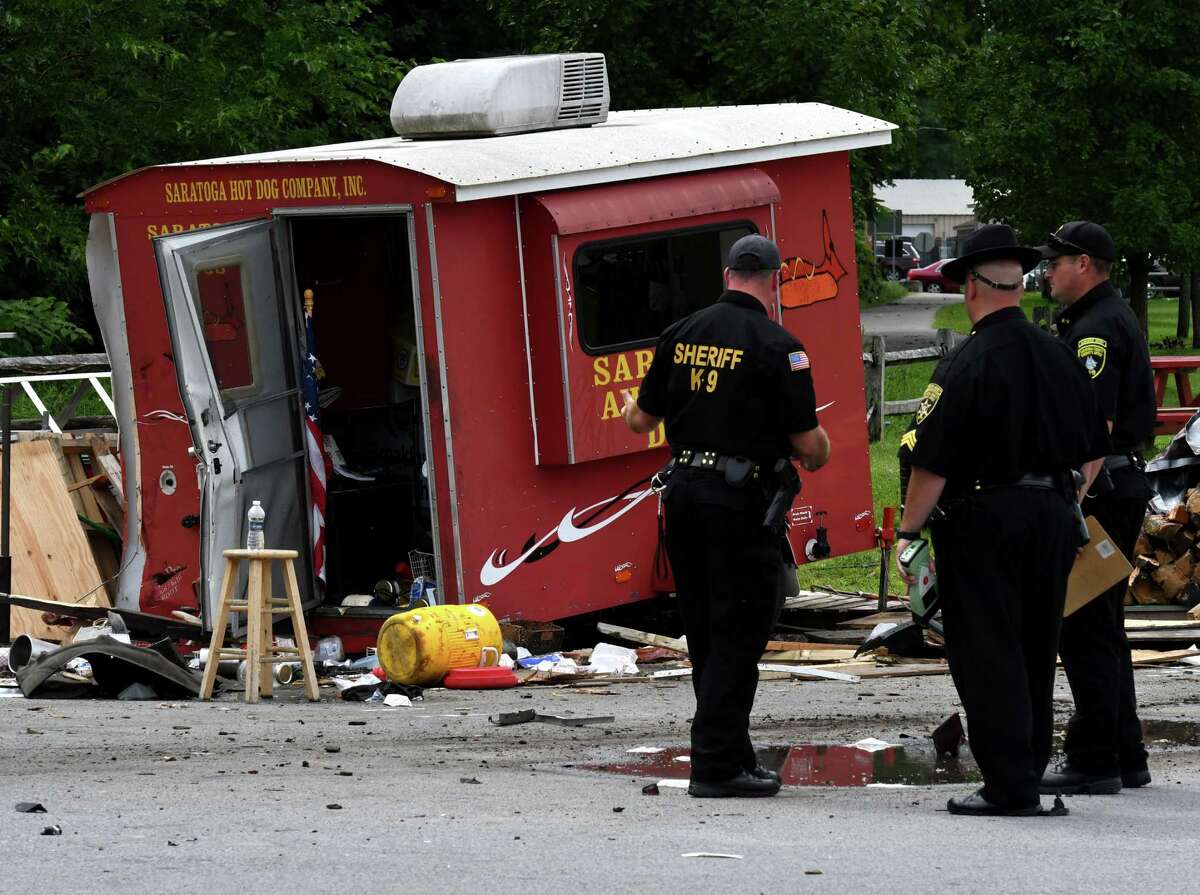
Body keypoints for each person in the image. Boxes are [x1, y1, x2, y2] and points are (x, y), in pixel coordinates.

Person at [895, 224, 1110, 816]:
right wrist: (1069, 498)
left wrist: (909, 534)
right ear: (1021, 284)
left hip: (983, 519)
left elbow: (930, 463)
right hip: (1051, 516)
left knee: (986, 648)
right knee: (1038, 645)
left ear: (969, 288)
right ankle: (1030, 770)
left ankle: (1008, 784)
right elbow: (1096, 443)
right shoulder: (1061, 354)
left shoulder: (966, 363)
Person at [621, 234, 830, 798]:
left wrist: (628, 407)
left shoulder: (681, 333)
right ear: (774, 278)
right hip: (738, 502)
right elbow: (808, 446)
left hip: (683, 495)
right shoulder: (777, 344)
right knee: (741, 630)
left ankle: (732, 752)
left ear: (728, 273)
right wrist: (824, 446)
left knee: (708, 634)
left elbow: (640, 421)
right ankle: (714, 765)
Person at [1038, 221, 1156, 795]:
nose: (1048, 271)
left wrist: (1069, 510)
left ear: (1083, 264)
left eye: (1056, 262)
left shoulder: (1096, 331)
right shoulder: (1097, 318)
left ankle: (1094, 757)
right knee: (1104, 628)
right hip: (1116, 487)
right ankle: (1125, 751)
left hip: (1100, 491)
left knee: (1082, 627)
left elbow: (1094, 430)